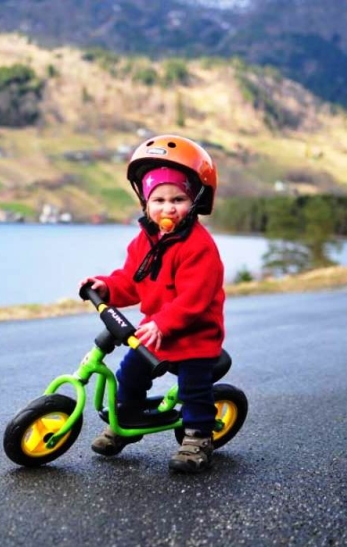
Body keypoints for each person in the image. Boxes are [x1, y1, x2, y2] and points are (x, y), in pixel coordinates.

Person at [79, 134, 225, 474]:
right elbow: (132, 281)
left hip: (193, 336)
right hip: (154, 334)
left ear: (195, 201)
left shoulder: (199, 247)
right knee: (129, 375)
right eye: (158, 199)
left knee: (194, 388)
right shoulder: (145, 240)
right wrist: (107, 286)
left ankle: (198, 438)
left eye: (178, 199)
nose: (168, 207)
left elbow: (195, 299)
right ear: (145, 202)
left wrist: (163, 323)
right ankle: (124, 423)